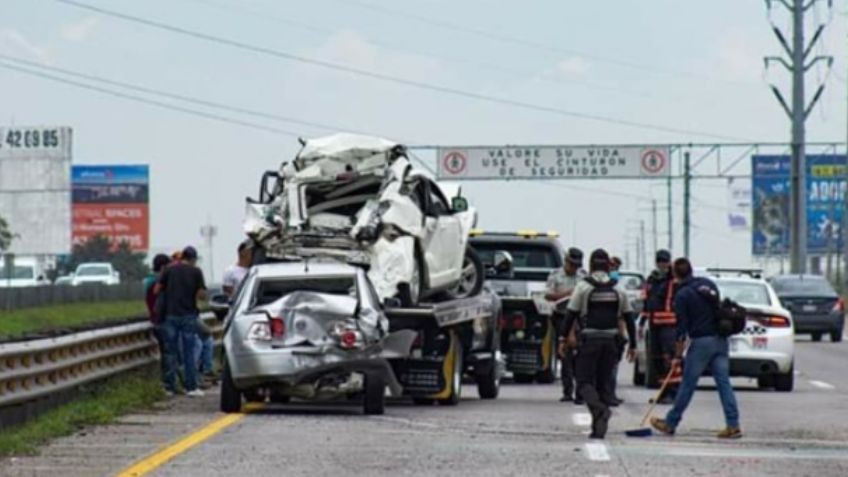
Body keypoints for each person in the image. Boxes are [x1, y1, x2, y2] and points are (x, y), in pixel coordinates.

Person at [651, 258, 741, 439]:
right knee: (724, 383)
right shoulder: (708, 284)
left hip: (701, 343)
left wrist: (677, 355)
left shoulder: (683, 295)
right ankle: (733, 425)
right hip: (720, 340)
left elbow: (681, 329)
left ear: (675, 274)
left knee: (687, 384)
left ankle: (670, 422)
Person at [561, 249, 636, 439]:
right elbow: (629, 318)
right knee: (603, 385)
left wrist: (563, 339)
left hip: (589, 340)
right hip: (611, 343)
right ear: (608, 266)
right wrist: (633, 345)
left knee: (584, 381)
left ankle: (599, 410)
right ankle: (598, 427)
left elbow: (570, 314)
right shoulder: (618, 288)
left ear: (591, 265)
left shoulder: (583, 286)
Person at [155, 246, 208, 397]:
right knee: (188, 352)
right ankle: (191, 387)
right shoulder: (196, 272)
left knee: (170, 352)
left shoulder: (169, 270)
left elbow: (157, 289)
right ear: (193, 259)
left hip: (170, 315)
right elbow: (202, 294)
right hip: (188, 315)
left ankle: (169, 387)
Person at [642, 249, 682, 404]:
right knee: (657, 359)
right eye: (660, 261)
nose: (662, 264)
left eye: (664, 261)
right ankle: (663, 391)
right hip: (654, 325)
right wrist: (643, 320)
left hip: (669, 325)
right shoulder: (652, 279)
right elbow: (647, 299)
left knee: (670, 359)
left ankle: (674, 392)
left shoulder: (673, 280)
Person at [547, 247, 585, 403]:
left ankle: (581, 391)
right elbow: (548, 294)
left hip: (580, 318)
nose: (574, 268)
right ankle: (567, 391)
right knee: (566, 355)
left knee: (581, 355)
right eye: (571, 264)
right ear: (566, 261)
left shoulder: (583, 276)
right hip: (561, 315)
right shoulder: (556, 275)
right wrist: (568, 294)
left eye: (577, 265)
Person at [144, 254, 172, 392]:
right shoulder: (158, 282)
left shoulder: (148, 281)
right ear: (163, 267)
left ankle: (168, 383)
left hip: (154, 320)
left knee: (165, 352)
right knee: (169, 353)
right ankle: (168, 384)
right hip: (162, 320)